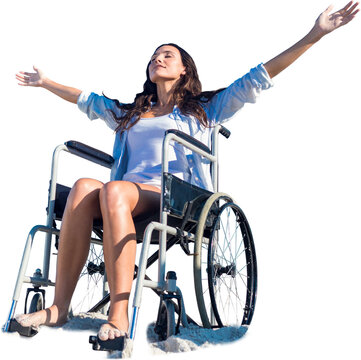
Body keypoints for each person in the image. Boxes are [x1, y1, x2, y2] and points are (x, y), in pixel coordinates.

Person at [14, 2, 359, 342]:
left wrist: (313, 35)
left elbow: (258, 77)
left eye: (167, 55)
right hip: (123, 194)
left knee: (112, 190)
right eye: (153, 56)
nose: (157, 59)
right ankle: (59, 307)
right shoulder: (131, 113)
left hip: (175, 195)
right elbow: (87, 99)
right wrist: (46, 82)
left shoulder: (205, 109)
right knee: (82, 185)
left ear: (183, 70)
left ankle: (118, 314)